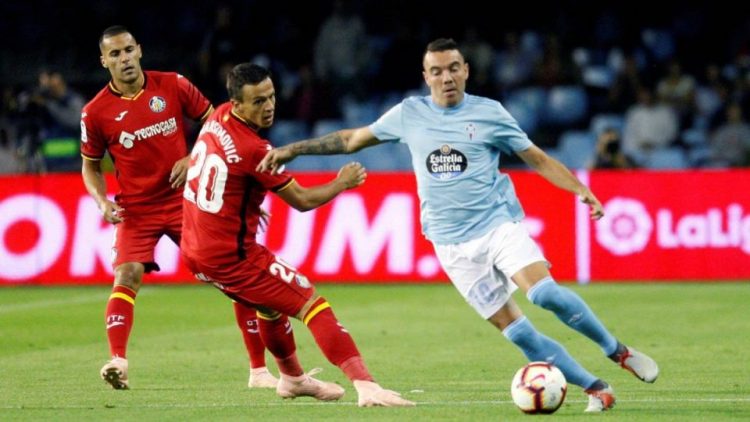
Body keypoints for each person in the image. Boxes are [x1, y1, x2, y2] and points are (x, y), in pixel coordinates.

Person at [257, 38, 659, 413]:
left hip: (497, 225)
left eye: (453, 68)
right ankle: (596, 388)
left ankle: (617, 351)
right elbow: (351, 140)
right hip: (451, 246)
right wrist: (293, 149)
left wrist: (580, 189)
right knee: (518, 333)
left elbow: (536, 158)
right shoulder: (409, 114)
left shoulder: (489, 113)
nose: (446, 77)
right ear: (426, 76)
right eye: (437, 71)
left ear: (466, 70)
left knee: (544, 293)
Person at [180, 63, 414, 407]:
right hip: (231, 257)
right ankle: (366, 386)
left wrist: (237, 203)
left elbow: (215, 170)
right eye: (258, 101)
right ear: (238, 103)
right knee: (312, 305)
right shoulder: (255, 149)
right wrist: (341, 182)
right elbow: (302, 201)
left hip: (194, 249)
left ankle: (292, 379)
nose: (269, 106)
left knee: (270, 307)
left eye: (271, 96)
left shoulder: (218, 116)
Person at [80, 25, 276, 390]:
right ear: (104, 61)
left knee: (234, 276)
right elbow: (90, 166)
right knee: (127, 274)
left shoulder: (172, 84)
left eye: (128, 50)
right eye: (115, 54)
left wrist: (192, 158)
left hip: (186, 200)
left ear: (140, 50)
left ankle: (259, 371)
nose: (124, 59)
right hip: (136, 209)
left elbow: (217, 123)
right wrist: (101, 200)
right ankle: (118, 361)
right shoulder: (95, 113)